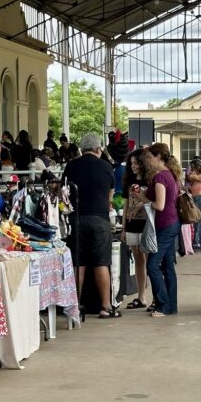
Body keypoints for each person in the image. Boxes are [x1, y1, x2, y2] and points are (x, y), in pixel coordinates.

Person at [62, 132, 119, 319]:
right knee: (102, 263)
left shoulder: (71, 166)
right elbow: (110, 195)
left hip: (76, 219)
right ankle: (105, 307)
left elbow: (64, 192)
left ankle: (75, 307)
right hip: (100, 219)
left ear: (81, 149)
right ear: (98, 148)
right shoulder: (106, 166)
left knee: (79, 264)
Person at [142, 142, 181, 317]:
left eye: (150, 157)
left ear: (158, 157)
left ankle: (162, 305)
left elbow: (159, 205)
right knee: (167, 266)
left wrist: (147, 202)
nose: (148, 161)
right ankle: (171, 305)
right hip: (171, 224)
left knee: (152, 265)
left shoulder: (160, 178)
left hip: (165, 225)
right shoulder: (170, 175)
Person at [121, 149, 149, 310]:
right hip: (131, 225)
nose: (134, 166)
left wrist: (140, 204)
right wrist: (124, 227)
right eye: (131, 163)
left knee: (149, 261)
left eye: (137, 163)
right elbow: (125, 206)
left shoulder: (151, 180)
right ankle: (141, 296)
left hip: (147, 225)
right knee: (138, 260)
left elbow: (153, 201)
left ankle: (151, 296)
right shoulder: (128, 182)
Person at [186, 158, 201, 252]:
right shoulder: (198, 176)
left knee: (200, 222)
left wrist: (192, 172)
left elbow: (189, 176)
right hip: (197, 198)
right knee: (197, 222)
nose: (191, 169)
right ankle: (196, 242)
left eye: (192, 167)